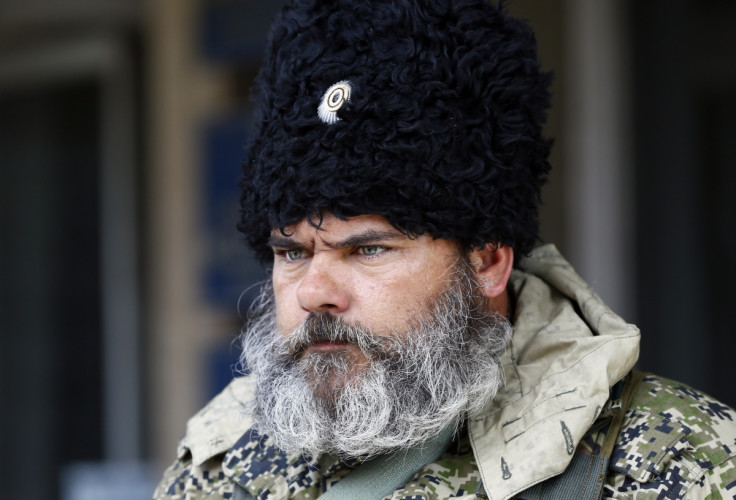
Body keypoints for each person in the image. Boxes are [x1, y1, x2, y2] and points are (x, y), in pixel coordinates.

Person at [154, 1, 736, 498]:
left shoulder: (676, 463)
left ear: (486, 262)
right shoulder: (219, 466)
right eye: (292, 253)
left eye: (369, 251)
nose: (313, 293)